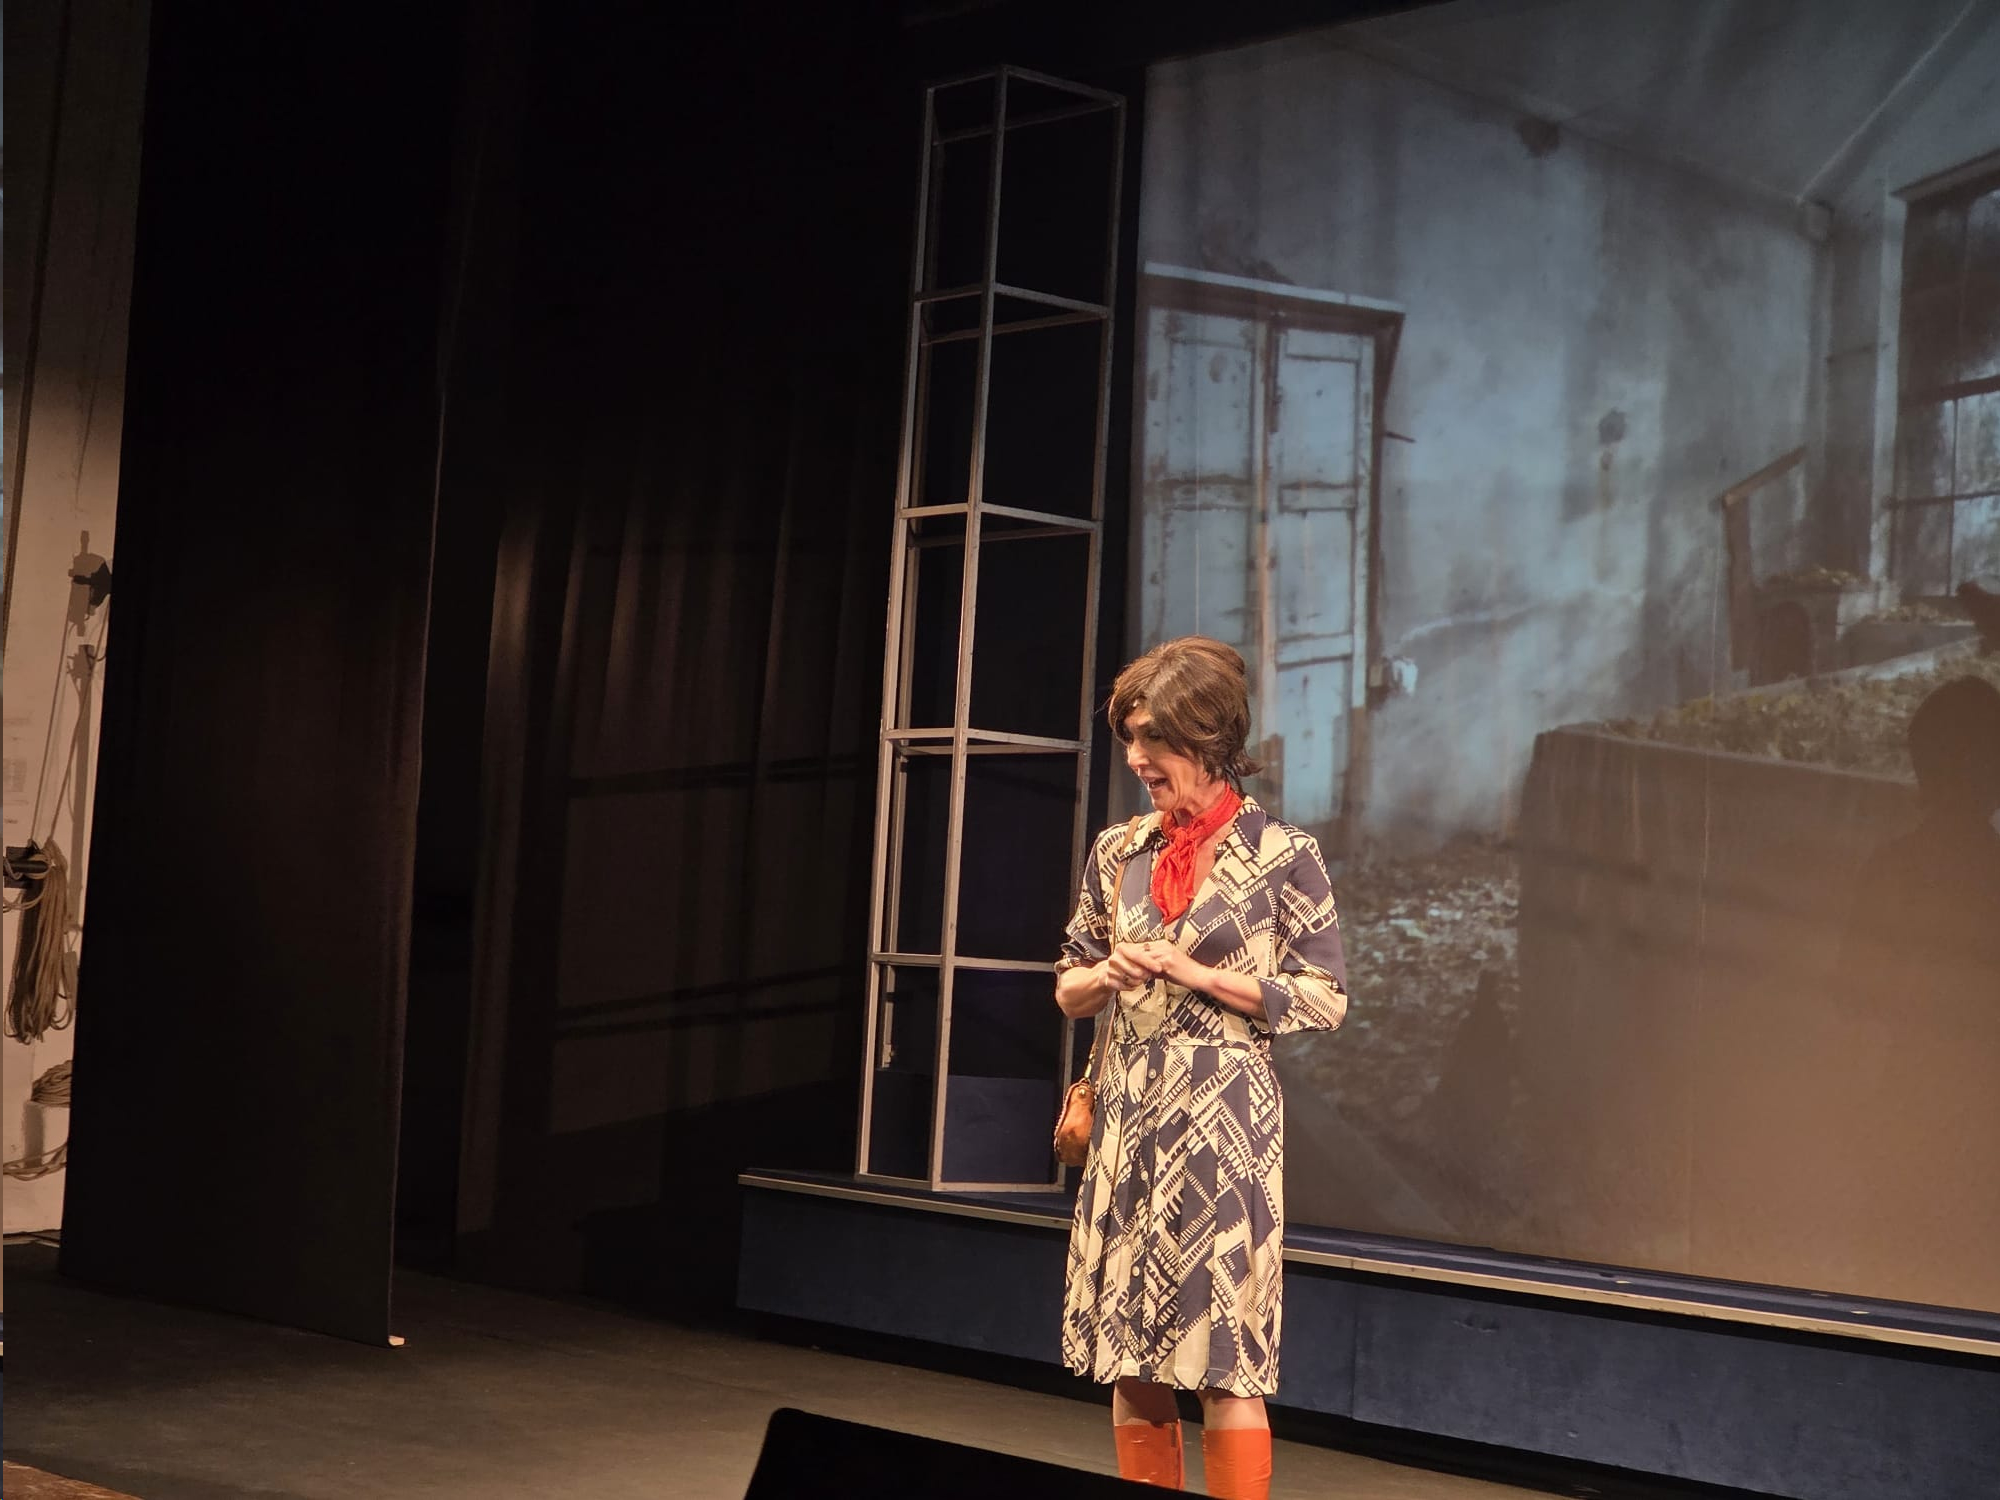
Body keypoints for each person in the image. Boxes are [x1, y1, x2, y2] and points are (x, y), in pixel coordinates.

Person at [1054, 637, 1349, 1497]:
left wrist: (1199, 973)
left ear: (1210, 738)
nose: (1136, 758)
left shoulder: (1283, 855)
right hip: (1128, 1114)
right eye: (1131, 738)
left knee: (1225, 1355)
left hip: (1225, 1120)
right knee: (1130, 1352)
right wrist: (1106, 974)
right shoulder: (1120, 850)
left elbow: (1325, 997)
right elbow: (1068, 986)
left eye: (1154, 739)